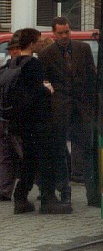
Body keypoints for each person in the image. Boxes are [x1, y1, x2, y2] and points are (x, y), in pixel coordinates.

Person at [38, 17, 98, 207]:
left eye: (67, 32)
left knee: (87, 149)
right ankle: (65, 193)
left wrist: (91, 103)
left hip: (82, 106)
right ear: (54, 33)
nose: (64, 36)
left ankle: (93, 195)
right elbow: (44, 81)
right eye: (61, 33)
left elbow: (92, 76)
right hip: (60, 108)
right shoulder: (46, 53)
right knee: (60, 151)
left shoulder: (83, 48)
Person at [11, 28, 71, 214]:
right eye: (37, 41)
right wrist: (48, 90)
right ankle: (48, 199)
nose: (40, 44)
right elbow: (36, 92)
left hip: (21, 121)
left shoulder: (14, 62)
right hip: (38, 121)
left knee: (29, 160)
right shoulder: (34, 64)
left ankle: (20, 197)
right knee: (47, 158)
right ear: (31, 44)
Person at [0, 31, 22, 201]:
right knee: (6, 156)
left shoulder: (27, 69)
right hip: (4, 117)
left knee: (24, 154)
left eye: (17, 48)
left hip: (18, 118)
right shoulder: (4, 70)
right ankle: (4, 190)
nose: (14, 51)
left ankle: (46, 188)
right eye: (12, 49)